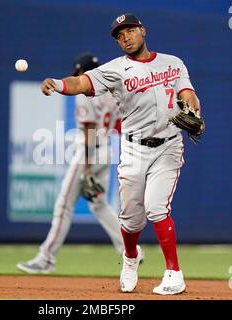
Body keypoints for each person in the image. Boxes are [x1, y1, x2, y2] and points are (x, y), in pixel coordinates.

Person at [40, 13, 202, 295]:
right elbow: (81, 83)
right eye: (119, 35)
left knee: (156, 207)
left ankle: (174, 273)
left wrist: (194, 111)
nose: (125, 37)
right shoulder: (115, 70)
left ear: (143, 30)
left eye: (129, 30)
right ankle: (129, 258)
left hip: (168, 146)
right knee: (130, 218)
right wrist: (57, 83)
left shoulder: (173, 63)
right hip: (133, 149)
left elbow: (187, 93)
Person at [17, 53, 137, 274]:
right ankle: (130, 250)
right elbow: (121, 123)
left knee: (64, 205)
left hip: (88, 154)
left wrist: (88, 168)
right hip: (107, 150)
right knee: (99, 205)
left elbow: (89, 129)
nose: (78, 76)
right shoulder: (111, 91)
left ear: (84, 72)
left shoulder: (85, 93)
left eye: (79, 73)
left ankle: (46, 258)